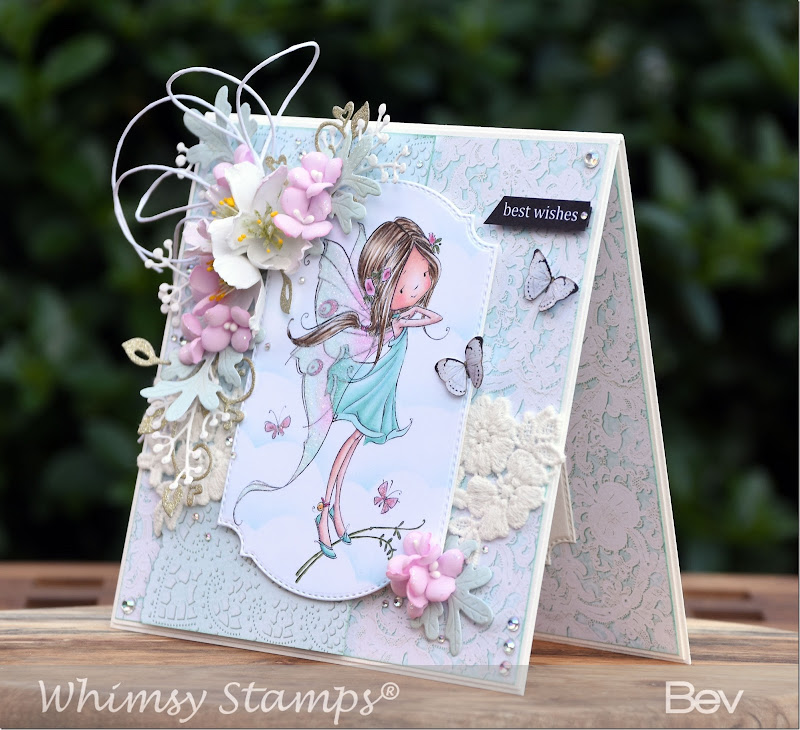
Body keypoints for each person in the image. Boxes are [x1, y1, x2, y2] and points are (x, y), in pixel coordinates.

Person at [288, 217, 442, 558]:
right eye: (406, 284)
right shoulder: (381, 321)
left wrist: (409, 307)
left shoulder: (399, 318)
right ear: (384, 280)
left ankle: (335, 513)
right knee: (343, 448)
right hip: (362, 386)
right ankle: (324, 515)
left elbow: (433, 317)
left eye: (424, 278)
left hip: (379, 392)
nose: (416, 290)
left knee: (351, 447)